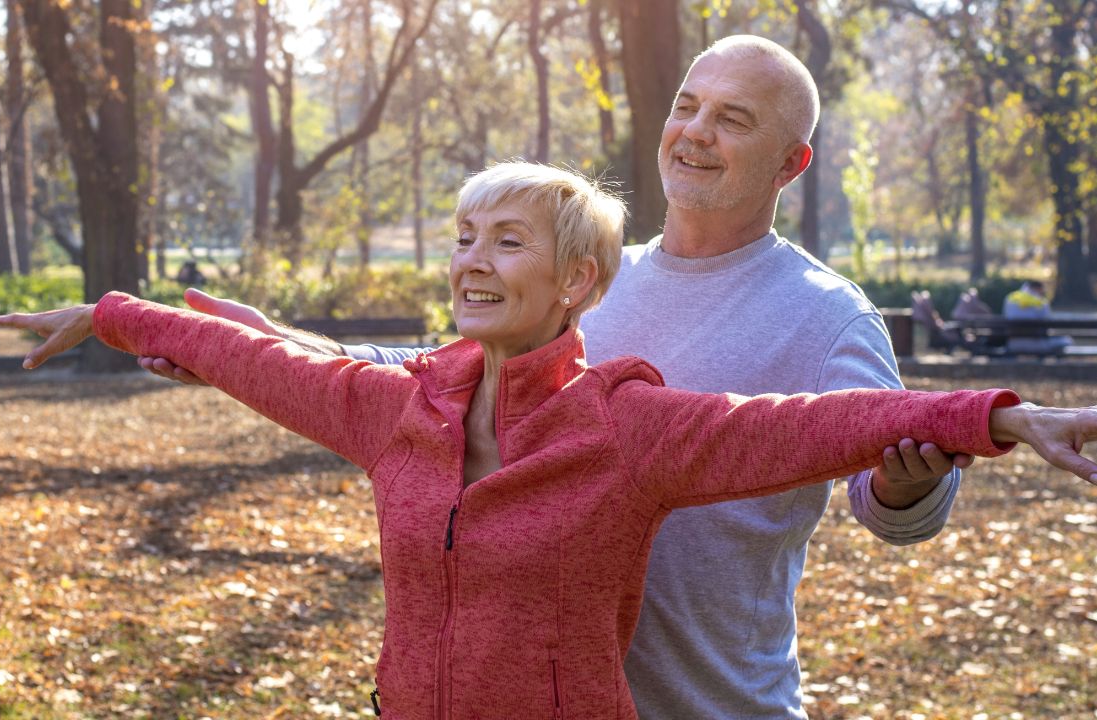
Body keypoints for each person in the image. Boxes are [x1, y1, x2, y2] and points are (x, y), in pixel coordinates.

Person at [0, 161, 1097, 718]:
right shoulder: (394, 406)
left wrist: (988, 416)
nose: (470, 260)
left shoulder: (627, 426)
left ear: (577, 281)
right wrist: (109, 314)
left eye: (505, 241)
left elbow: (810, 425)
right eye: (462, 236)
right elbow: (264, 359)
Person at [137, 36, 997, 718]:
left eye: (732, 119)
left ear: (791, 162)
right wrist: (274, 343)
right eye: (686, 106)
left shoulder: (826, 315)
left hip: (714, 703)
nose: (694, 132)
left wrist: (901, 484)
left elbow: (897, 508)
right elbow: (439, 375)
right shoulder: (591, 276)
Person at [1003, 280, 1072, 355]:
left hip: (1013, 345)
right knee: (1066, 340)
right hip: (1038, 346)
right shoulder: (1041, 302)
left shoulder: (1010, 299)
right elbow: (1048, 325)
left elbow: (1006, 316)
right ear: (1039, 289)